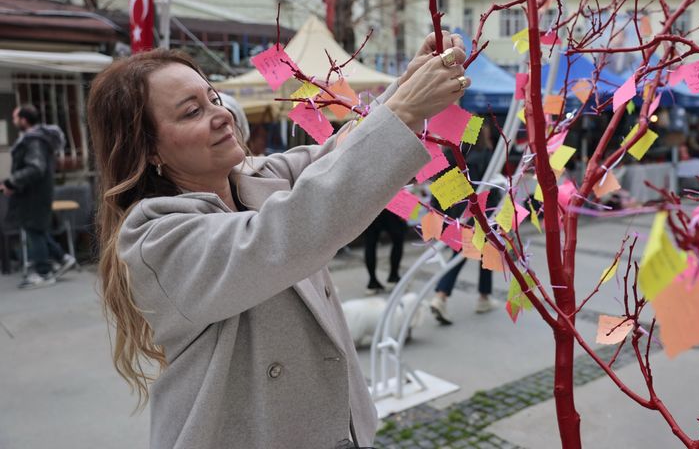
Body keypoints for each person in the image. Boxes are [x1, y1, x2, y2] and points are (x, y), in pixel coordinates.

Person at [87, 31, 470, 449]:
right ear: (150, 150)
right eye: (191, 112)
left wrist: (407, 87)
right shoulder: (155, 236)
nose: (221, 115)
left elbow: (337, 155)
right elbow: (287, 232)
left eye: (213, 98)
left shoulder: (258, 177)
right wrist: (405, 108)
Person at [1, 104, 75, 289]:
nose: (14, 120)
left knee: (34, 230)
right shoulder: (36, 139)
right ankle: (63, 258)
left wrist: (12, 182)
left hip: (34, 194)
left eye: (16, 117)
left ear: (24, 120)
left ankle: (44, 273)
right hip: (36, 193)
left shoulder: (33, 140)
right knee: (37, 230)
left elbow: (35, 168)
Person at [429, 122, 498, 324]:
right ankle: (444, 296)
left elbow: (440, 183)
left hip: (460, 213)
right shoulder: (485, 157)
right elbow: (492, 185)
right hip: (484, 212)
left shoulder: (452, 155)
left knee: (476, 252)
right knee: (483, 252)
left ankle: (477, 296)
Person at [363, 208, 407, 294]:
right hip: (391, 204)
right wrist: (404, 209)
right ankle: (393, 277)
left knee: (370, 243)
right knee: (398, 239)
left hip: (370, 207)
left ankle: (372, 282)